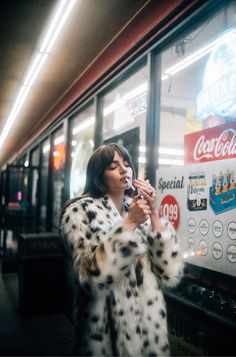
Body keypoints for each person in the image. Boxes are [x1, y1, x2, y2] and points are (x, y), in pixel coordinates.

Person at [60, 143, 184, 356]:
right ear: (98, 175)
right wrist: (129, 224)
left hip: (149, 336)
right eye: (113, 166)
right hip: (106, 336)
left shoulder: (138, 209)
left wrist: (153, 212)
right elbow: (91, 278)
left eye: (127, 164)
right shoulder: (79, 211)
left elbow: (169, 273)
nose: (123, 170)